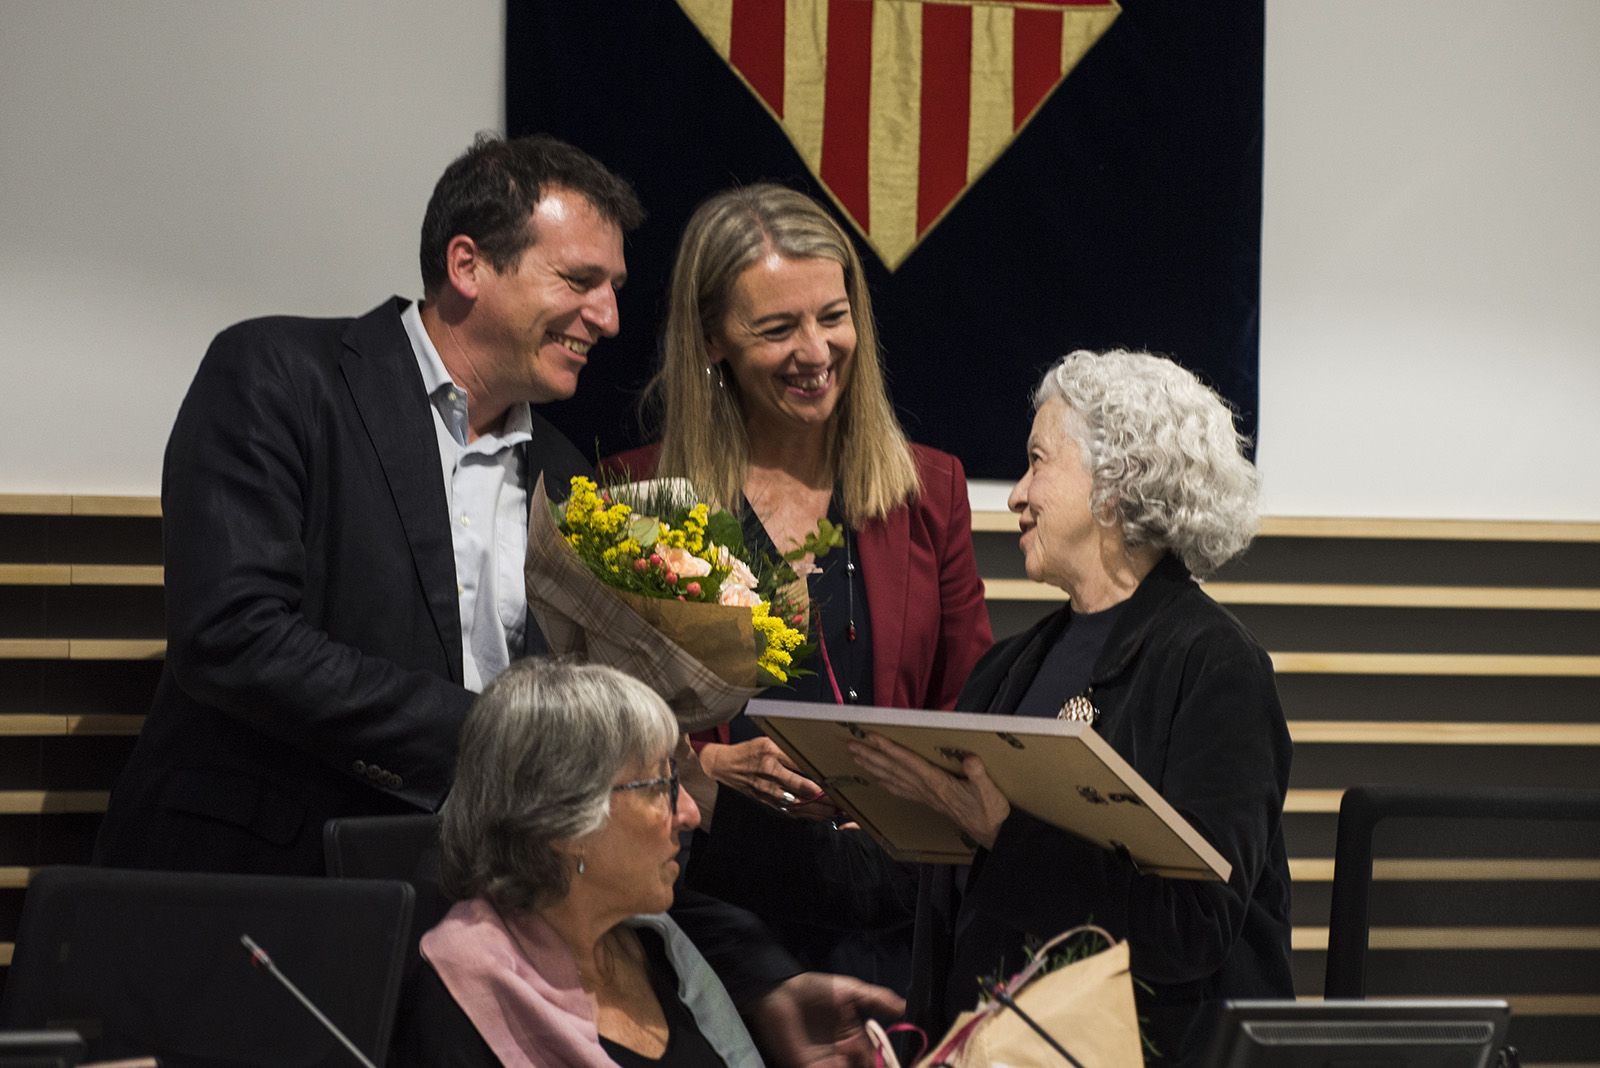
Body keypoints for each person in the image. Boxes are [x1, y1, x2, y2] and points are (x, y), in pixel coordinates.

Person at [95, 132, 642, 876]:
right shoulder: (279, 375)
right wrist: (490, 735)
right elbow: (231, 636)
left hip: (482, 887)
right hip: (267, 878)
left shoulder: (568, 474)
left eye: (613, 288)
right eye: (580, 280)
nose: (608, 317)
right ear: (468, 265)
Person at [849, 350, 1294, 1066]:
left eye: (1036, 462)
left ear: (1115, 484)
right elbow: (945, 896)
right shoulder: (1003, 671)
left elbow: (1195, 927)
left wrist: (1005, 834)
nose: (1016, 495)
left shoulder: (1217, 667)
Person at [606, 184, 993, 993]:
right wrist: (706, 767)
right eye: (778, 329)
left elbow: (970, 712)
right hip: (721, 929)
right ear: (711, 339)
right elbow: (608, 734)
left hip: (900, 922)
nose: (816, 352)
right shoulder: (638, 500)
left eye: (833, 316)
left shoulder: (930, 491)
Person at [390, 657, 764, 1067]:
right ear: (565, 823)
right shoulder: (461, 999)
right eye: (662, 787)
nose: (689, 813)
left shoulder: (657, 944)